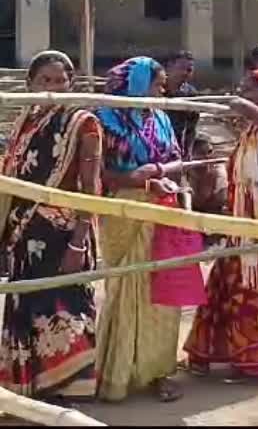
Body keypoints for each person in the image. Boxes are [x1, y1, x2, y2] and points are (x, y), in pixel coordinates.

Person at [184, 69, 258, 381]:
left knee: (256, 295)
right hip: (241, 225)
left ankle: (257, 361)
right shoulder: (249, 133)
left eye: (250, 89)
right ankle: (218, 354)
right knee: (226, 287)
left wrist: (236, 101)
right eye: (242, 88)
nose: (243, 93)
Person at [0, 52, 101, 401]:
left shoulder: (84, 123)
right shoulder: (23, 121)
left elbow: (92, 189)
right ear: (30, 84)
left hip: (63, 235)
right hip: (23, 236)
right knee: (27, 305)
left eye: (62, 80)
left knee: (64, 306)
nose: (55, 88)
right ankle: (32, 391)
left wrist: (79, 243)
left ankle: (69, 392)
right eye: (46, 81)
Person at [94, 57, 186, 402]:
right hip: (123, 210)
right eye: (157, 84)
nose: (162, 90)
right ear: (137, 84)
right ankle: (115, 371)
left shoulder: (160, 117)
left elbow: (179, 159)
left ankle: (158, 371)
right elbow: (96, 170)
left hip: (162, 206)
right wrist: (132, 179)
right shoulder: (103, 120)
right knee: (124, 287)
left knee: (161, 291)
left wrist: (159, 170)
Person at [162, 50, 200, 159]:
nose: (185, 72)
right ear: (169, 66)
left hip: (175, 144)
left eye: (189, 69)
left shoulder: (191, 94)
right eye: (181, 68)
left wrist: (188, 150)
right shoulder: (154, 89)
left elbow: (191, 127)